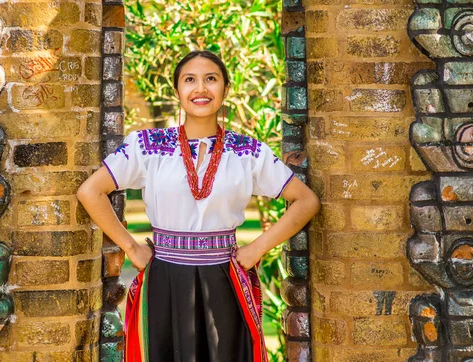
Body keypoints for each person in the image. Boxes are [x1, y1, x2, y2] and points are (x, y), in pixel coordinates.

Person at [77, 50, 320, 362]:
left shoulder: (248, 151)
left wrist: (256, 249)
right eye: (189, 80)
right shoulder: (147, 146)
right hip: (165, 276)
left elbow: (306, 201)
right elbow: (90, 192)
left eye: (211, 79)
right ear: (177, 90)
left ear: (225, 89)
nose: (201, 88)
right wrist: (131, 247)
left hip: (225, 277)